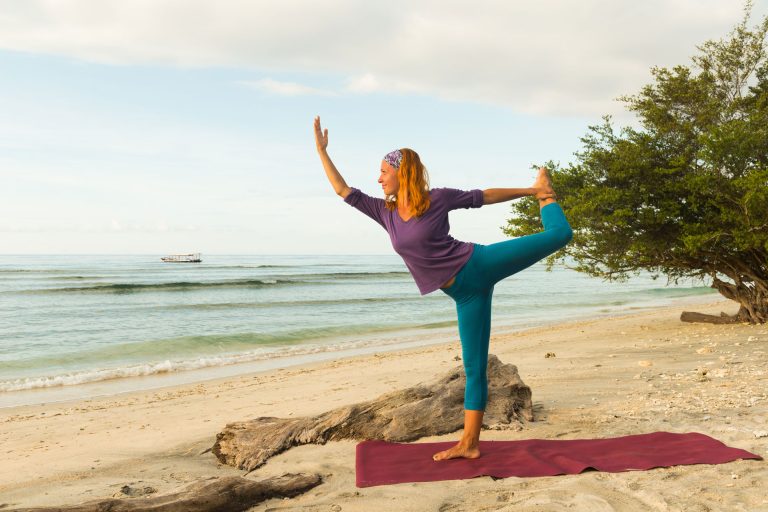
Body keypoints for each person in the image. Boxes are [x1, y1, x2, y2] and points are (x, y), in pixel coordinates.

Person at [313, 115, 573, 461]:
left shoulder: (437, 199)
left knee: (559, 235)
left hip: (478, 264)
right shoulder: (384, 211)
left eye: (383, 172)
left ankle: (546, 195)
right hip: (465, 295)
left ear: (400, 173)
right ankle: (470, 443)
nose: (378, 179)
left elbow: (483, 196)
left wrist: (531, 191)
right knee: (474, 368)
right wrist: (322, 151)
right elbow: (343, 190)